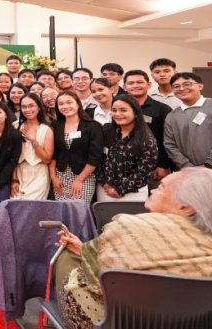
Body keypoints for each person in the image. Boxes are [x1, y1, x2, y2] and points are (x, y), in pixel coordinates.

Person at [55, 167, 212, 329]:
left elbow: (97, 276)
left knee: (66, 259)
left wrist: (84, 253)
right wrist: (84, 249)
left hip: (111, 323)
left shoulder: (126, 227)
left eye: (161, 187)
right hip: (180, 323)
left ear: (185, 207)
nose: (153, 190)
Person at [96, 95, 157, 203]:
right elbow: (96, 158)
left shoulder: (146, 138)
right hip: (105, 190)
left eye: (123, 110)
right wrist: (104, 183)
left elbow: (144, 170)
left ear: (136, 113)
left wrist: (120, 190)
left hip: (133, 193)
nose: (117, 114)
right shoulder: (106, 131)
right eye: (114, 110)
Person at [50, 91, 103, 205]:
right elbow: (54, 154)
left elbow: (94, 157)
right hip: (61, 177)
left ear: (78, 104)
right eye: (61, 104)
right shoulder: (56, 125)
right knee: (62, 211)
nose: (65, 106)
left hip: (84, 177)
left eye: (69, 102)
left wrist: (79, 180)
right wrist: (54, 178)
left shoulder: (93, 126)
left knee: (79, 211)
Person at [123, 69, 173, 185]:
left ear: (149, 85)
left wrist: (164, 165)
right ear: (125, 87)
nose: (135, 85)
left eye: (140, 82)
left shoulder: (162, 109)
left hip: (153, 168)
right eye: (131, 83)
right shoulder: (118, 108)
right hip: (124, 167)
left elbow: (168, 139)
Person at [164, 72, 212, 168]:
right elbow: (170, 144)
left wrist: (208, 165)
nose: (181, 88)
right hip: (187, 172)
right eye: (176, 86)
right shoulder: (172, 116)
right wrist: (188, 167)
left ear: (200, 86)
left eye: (187, 84)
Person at [13, 93, 53, 200]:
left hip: (39, 173)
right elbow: (11, 156)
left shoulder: (46, 129)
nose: (27, 109)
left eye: (31, 106)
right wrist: (14, 179)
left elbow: (47, 159)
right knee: (15, 205)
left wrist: (33, 140)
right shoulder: (15, 126)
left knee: (33, 206)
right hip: (19, 172)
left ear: (39, 108)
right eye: (24, 106)